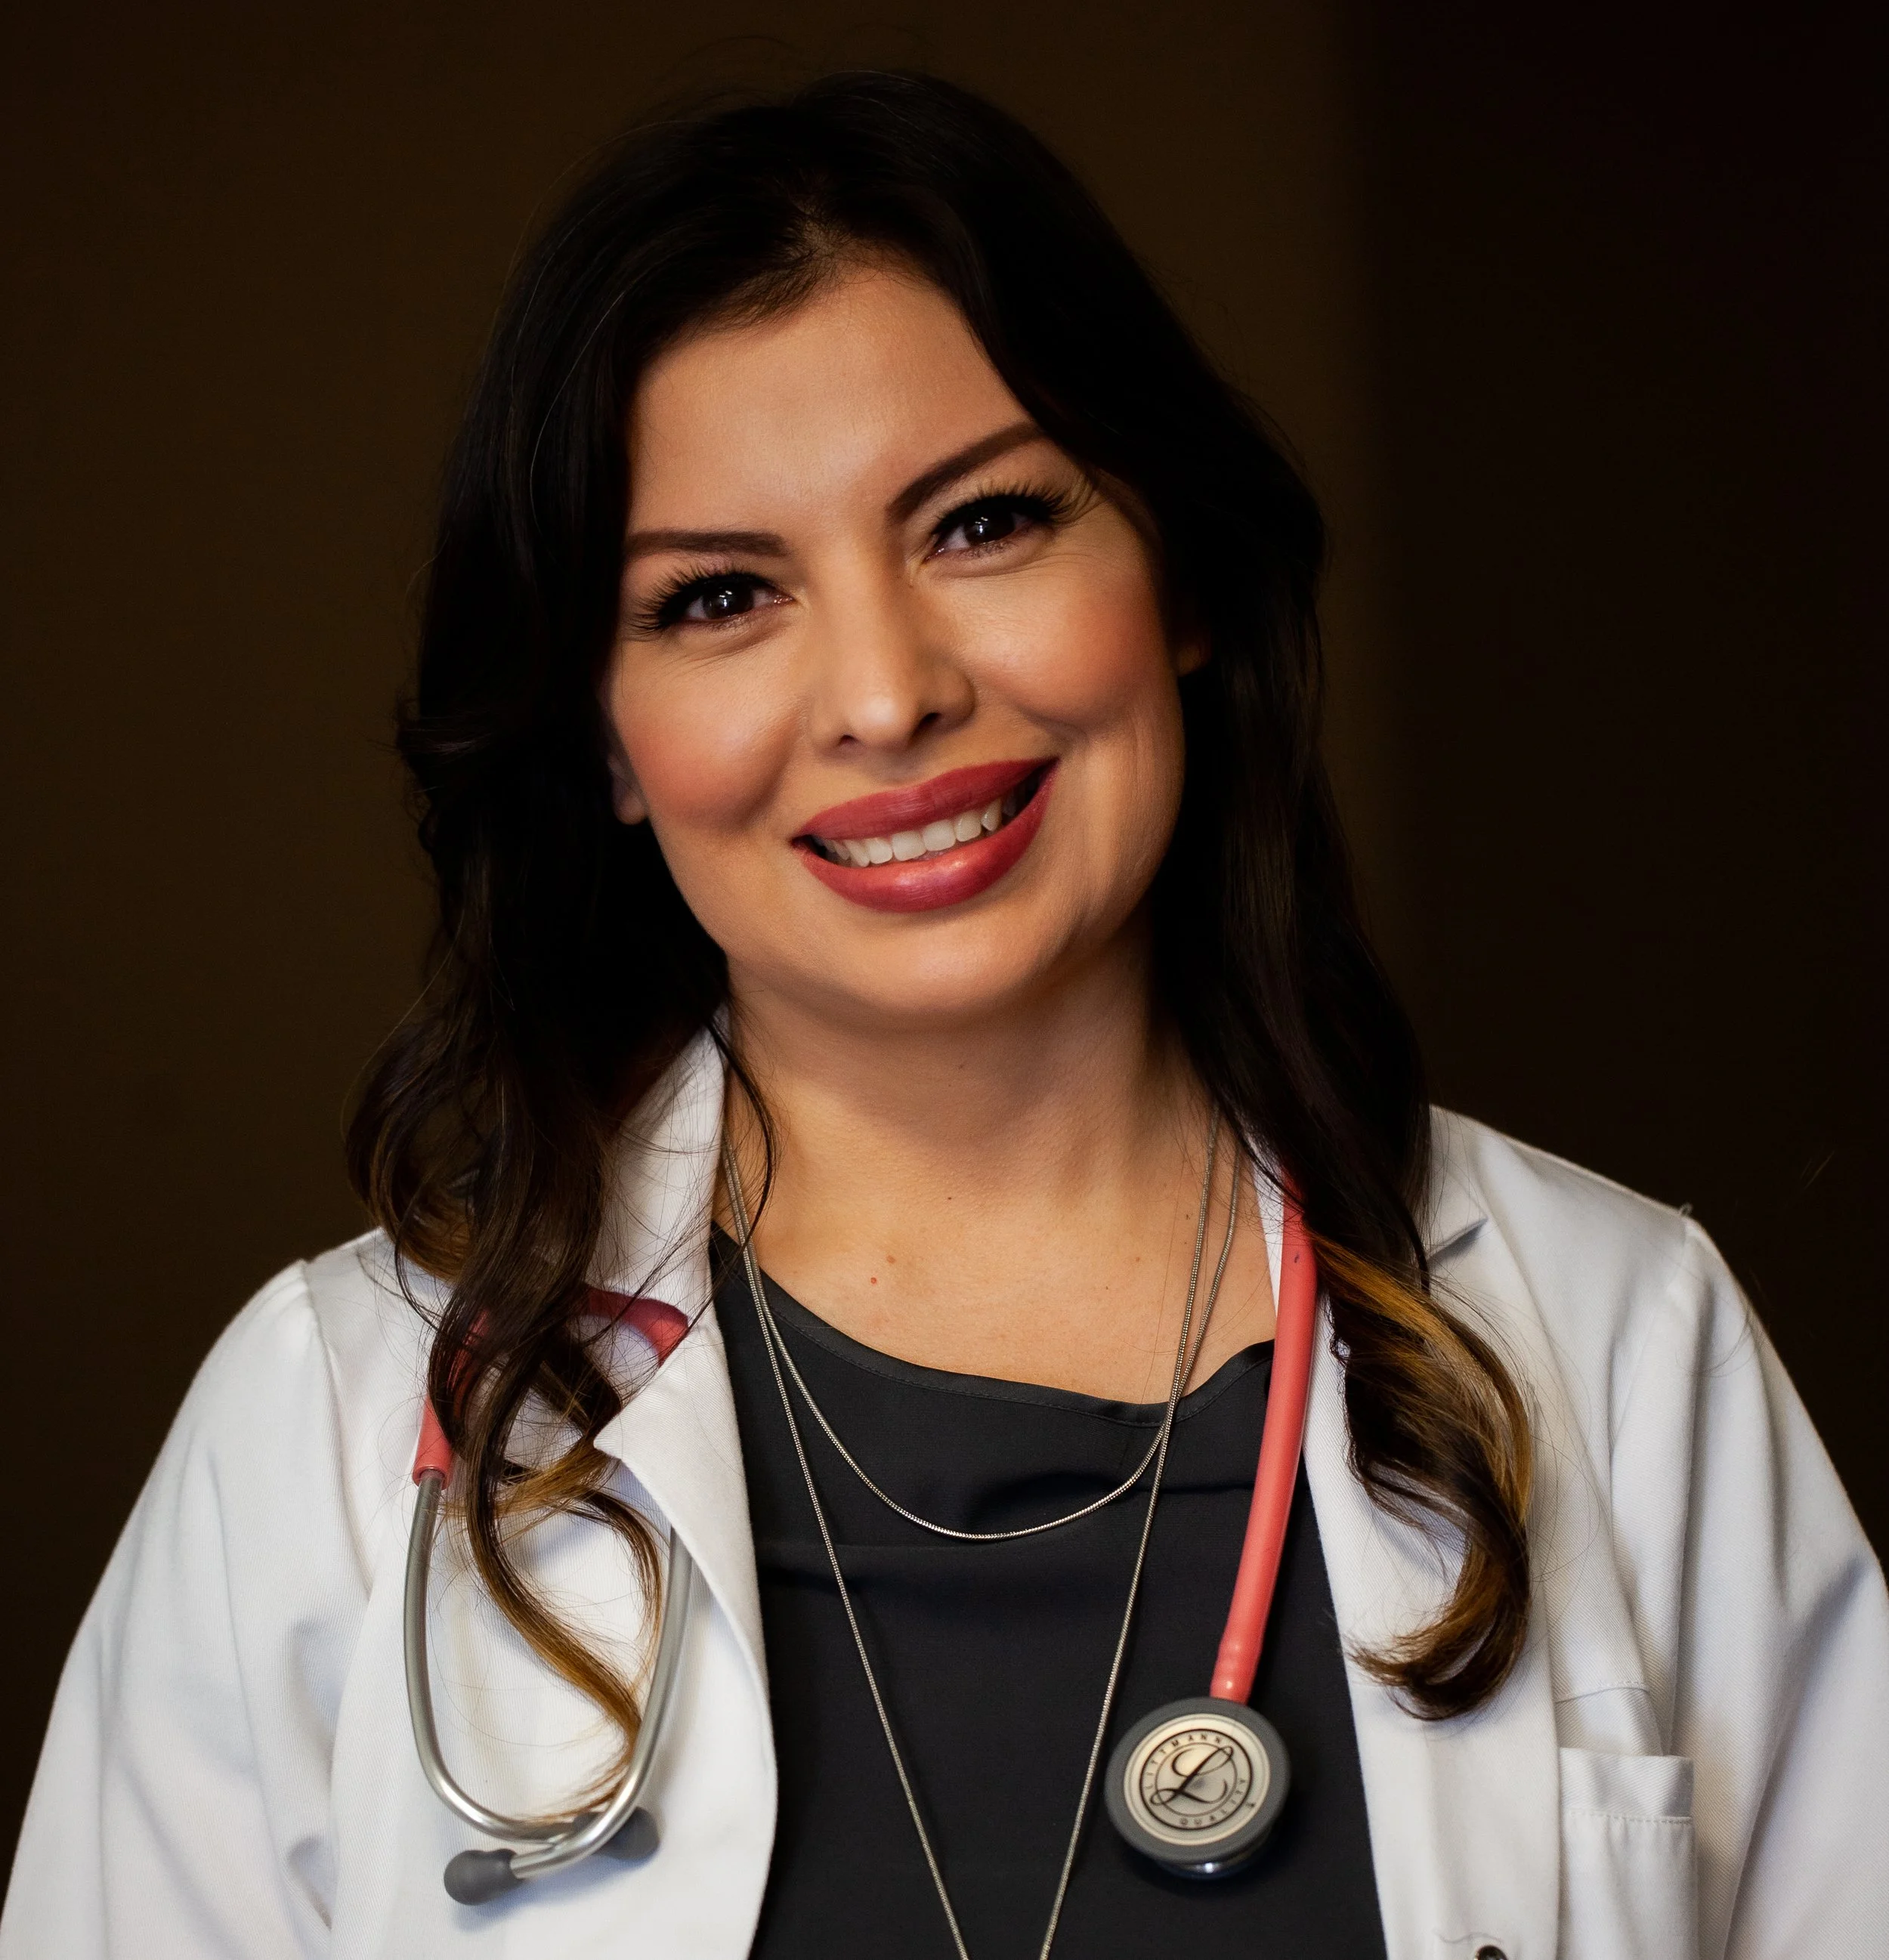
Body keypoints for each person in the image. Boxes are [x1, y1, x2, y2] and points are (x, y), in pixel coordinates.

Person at [3, 71, 1882, 1960]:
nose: (886, 694)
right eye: (721, 595)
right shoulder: (322, 1432)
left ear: (1181, 582)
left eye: (980, 524)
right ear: (606, 745)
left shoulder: (1622, 1347)